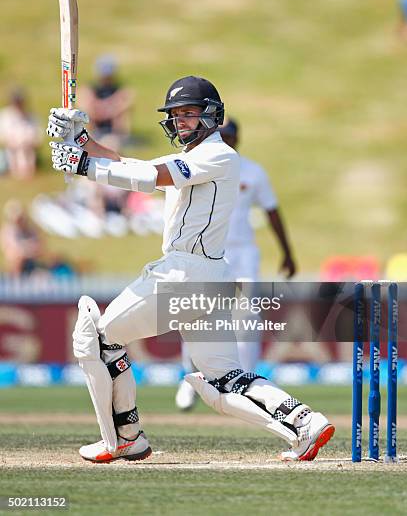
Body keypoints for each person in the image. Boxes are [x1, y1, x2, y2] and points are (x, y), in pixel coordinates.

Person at [47, 75, 334, 463]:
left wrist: (84, 166)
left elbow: (148, 178)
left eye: (189, 114)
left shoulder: (218, 155)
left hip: (183, 275)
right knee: (225, 380)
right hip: (210, 279)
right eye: (176, 115)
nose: (181, 122)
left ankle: (126, 436)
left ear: (212, 116)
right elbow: (135, 165)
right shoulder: (194, 158)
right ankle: (304, 423)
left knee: (97, 338)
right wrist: (83, 142)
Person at [176, 118, 296, 410]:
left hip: (242, 254)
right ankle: (190, 379)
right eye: (221, 134)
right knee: (194, 312)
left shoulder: (253, 172)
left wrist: (287, 253)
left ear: (238, 138)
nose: (225, 140)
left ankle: (247, 386)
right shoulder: (200, 165)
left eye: (229, 135)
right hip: (205, 251)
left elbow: (272, 211)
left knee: (246, 319)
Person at [80, 55, 133, 145]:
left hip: (113, 124)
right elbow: (85, 101)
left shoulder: (118, 88)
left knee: (120, 116)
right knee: (88, 110)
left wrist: (110, 109)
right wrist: (102, 108)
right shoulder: (92, 88)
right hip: (96, 122)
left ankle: (119, 137)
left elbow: (127, 100)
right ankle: (91, 136)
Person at [0, 88, 41, 180]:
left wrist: (27, 142)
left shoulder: (32, 116)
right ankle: (15, 171)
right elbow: (3, 137)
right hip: (10, 149)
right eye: (16, 102)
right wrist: (14, 143)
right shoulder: (5, 116)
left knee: (26, 152)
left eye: (20, 102)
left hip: (29, 148)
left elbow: (37, 137)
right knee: (14, 153)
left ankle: (28, 171)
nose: (18, 105)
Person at [0, 200, 44, 275]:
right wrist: (28, 248)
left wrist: (26, 249)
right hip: (16, 265)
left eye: (20, 217)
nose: (19, 220)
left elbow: (40, 247)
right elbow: (13, 250)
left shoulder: (31, 230)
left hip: (33, 264)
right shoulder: (8, 231)